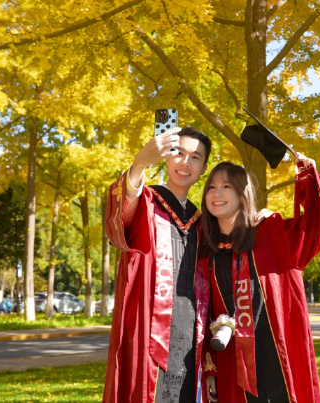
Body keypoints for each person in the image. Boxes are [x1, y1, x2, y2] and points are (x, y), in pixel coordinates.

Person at [198, 157, 320, 403]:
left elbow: (314, 227)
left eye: (227, 186)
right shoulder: (206, 252)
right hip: (233, 365)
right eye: (211, 187)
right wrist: (210, 369)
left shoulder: (272, 232)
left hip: (278, 362)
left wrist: (308, 178)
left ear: (243, 194)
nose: (217, 193)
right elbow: (205, 313)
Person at [103, 126, 213, 403]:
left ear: (203, 169)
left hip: (191, 333)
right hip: (148, 330)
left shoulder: (203, 221)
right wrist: (139, 164)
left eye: (195, 157)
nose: (185, 162)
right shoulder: (147, 202)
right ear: (166, 156)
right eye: (179, 153)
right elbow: (121, 214)